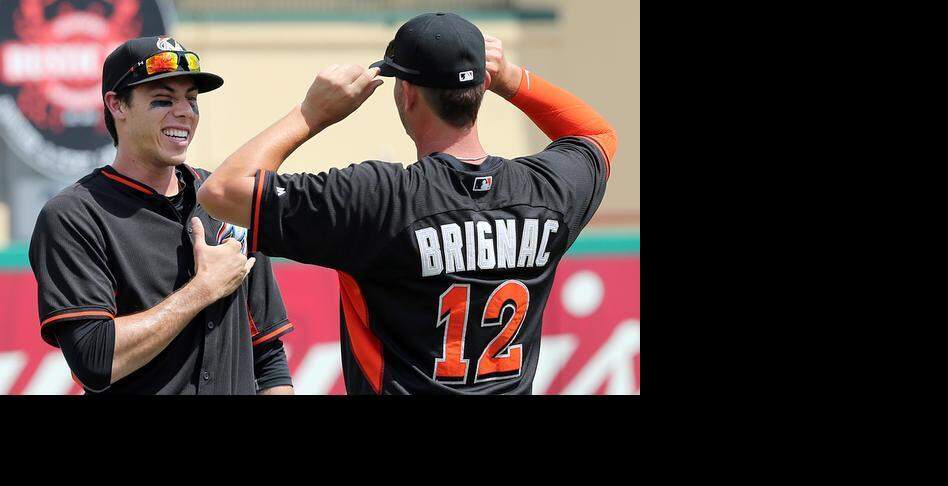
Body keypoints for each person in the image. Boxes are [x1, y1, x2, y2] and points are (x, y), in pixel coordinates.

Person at [198, 13, 616, 394]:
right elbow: (597, 136)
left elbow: (222, 191)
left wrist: (312, 113)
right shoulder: (545, 191)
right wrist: (513, 78)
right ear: (481, 88)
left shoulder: (379, 199)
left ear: (408, 94)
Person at [28, 37, 295, 394]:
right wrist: (201, 291)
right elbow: (95, 360)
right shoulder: (74, 215)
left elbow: (269, 359)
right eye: (163, 100)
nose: (184, 111)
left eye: (192, 99)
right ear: (117, 105)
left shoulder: (226, 199)